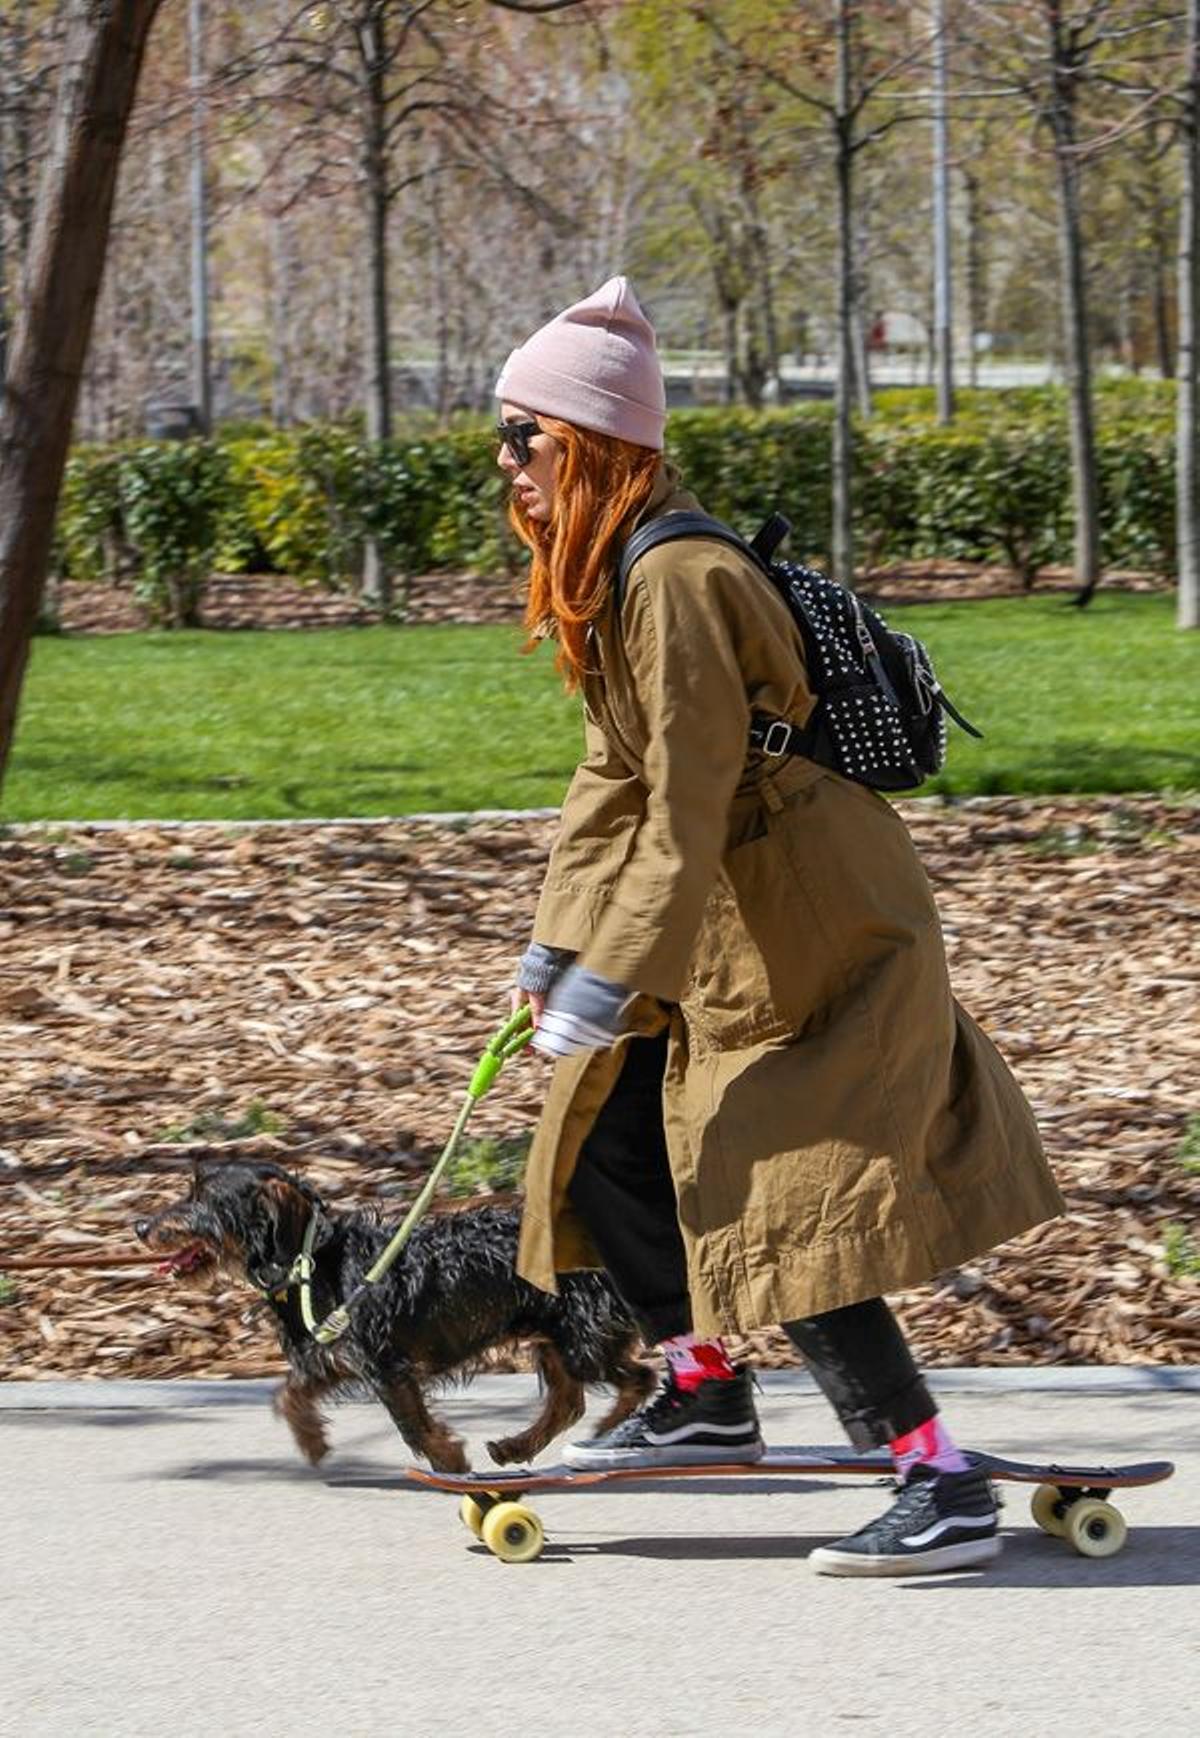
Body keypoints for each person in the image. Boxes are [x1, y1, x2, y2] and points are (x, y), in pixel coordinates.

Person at [497, 276, 1064, 1577]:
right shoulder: (621, 574)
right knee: (607, 1135)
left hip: (813, 917)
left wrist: (607, 969)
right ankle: (703, 1387)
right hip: (724, 915)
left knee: (783, 1187)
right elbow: (610, 779)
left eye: (527, 435)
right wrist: (555, 949)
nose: (508, 463)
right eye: (506, 435)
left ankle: (936, 1476)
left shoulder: (680, 578)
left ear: (592, 443)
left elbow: (685, 806)